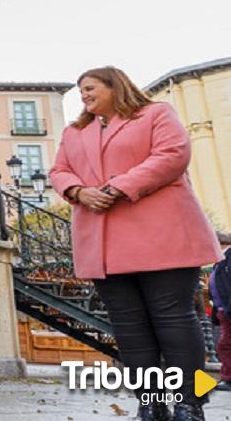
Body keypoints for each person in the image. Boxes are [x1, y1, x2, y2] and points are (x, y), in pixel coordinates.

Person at [50, 66, 222, 421]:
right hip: (103, 243)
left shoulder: (156, 114)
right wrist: (78, 191)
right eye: (80, 90)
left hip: (164, 236)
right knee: (129, 328)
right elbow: (59, 171)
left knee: (174, 319)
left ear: (116, 86)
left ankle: (189, 402)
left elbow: (172, 154)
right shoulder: (75, 132)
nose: (83, 94)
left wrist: (116, 187)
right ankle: (150, 401)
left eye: (90, 87)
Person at [210, 249, 231, 391]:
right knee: (225, 344)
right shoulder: (224, 254)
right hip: (223, 309)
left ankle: (228, 378)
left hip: (227, 309)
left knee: (226, 345)